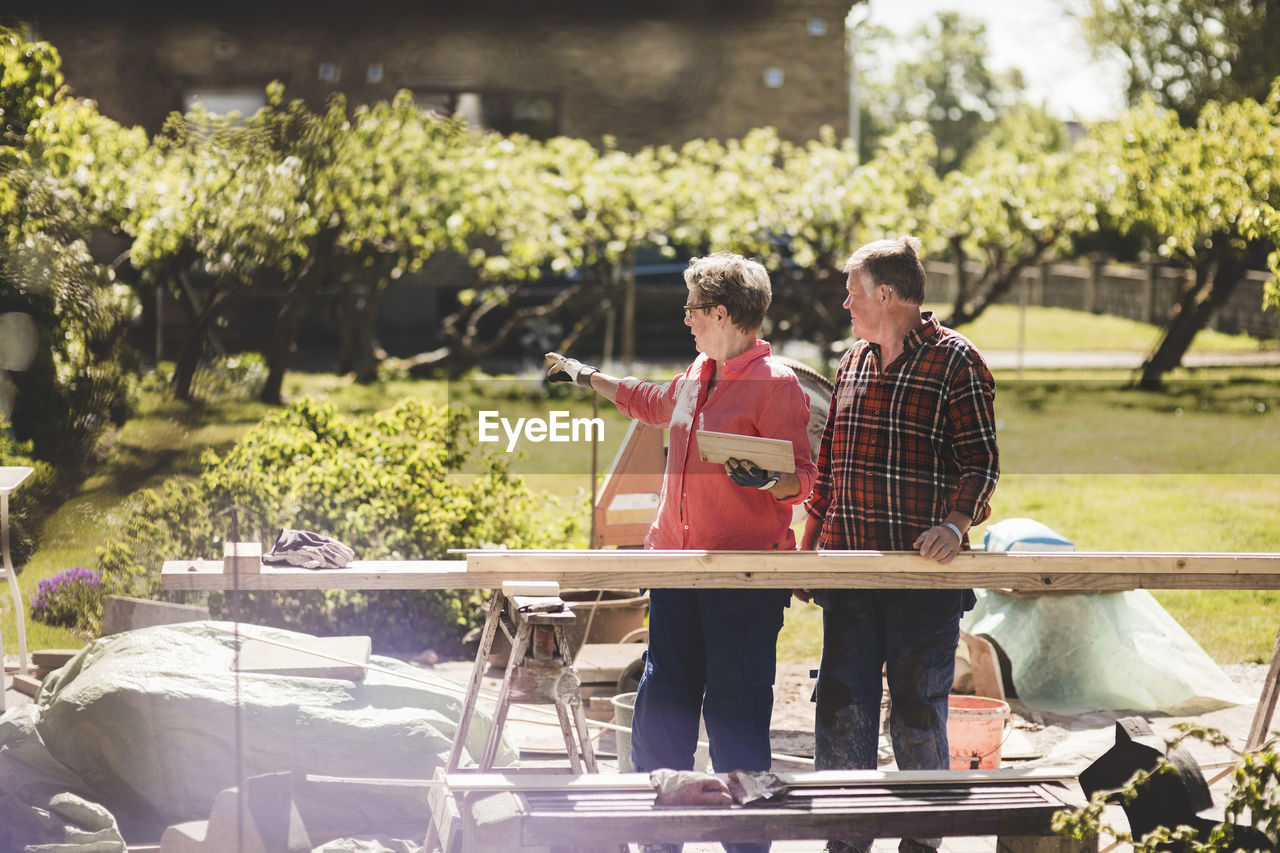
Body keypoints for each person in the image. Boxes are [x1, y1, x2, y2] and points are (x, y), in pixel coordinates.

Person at [547, 252, 817, 853]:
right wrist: (586, 375)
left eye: (693, 308)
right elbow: (651, 400)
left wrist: (767, 479)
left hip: (743, 578)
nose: (687, 318)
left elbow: (804, 477)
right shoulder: (699, 372)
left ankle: (745, 843)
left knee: (734, 714)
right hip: (675, 566)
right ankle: (655, 838)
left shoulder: (776, 384)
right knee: (663, 703)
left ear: (722, 312)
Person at [796, 236, 1000, 853]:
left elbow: (981, 463)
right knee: (841, 706)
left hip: (921, 579)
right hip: (850, 573)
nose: (845, 303)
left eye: (852, 292)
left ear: (886, 294)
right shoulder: (852, 361)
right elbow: (828, 469)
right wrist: (811, 550)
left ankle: (921, 841)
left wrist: (956, 524)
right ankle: (844, 837)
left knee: (916, 711)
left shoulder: (956, 362)